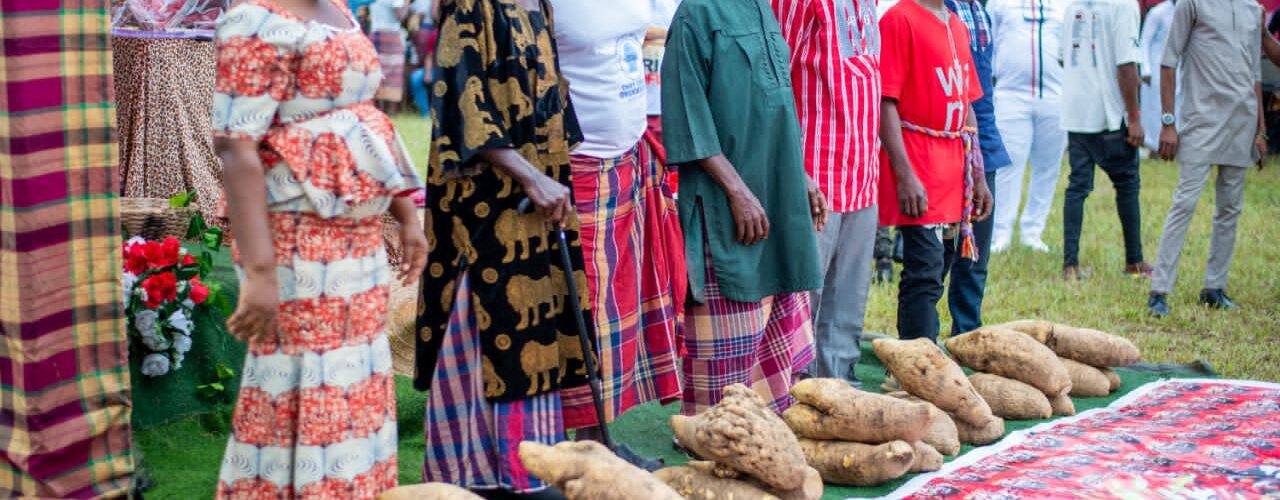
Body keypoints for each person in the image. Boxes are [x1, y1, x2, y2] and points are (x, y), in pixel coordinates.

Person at [212, 0, 427, 497]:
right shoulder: (253, 21)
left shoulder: (337, 11)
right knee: (306, 376)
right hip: (296, 242)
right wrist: (262, 272)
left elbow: (367, 120)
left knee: (358, 376)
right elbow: (237, 147)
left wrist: (406, 215)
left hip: (359, 250)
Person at [414, 0, 594, 496]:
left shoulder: (538, 3)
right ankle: (471, 477)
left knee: (537, 333)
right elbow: (461, 108)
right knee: (490, 333)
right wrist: (533, 178)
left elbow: (553, 95)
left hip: (539, 198)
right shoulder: (471, 7)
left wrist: (549, 174)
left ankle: (528, 474)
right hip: (482, 212)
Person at [662, 0, 827, 415]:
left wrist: (801, 177)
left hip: (777, 189)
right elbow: (687, 118)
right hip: (724, 200)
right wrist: (736, 191)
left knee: (779, 297)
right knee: (731, 311)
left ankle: (768, 416)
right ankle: (715, 426)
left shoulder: (762, 9)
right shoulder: (695, 14)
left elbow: (777, 109)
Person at [547, 0, 682, 440]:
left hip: (626, 157)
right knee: (584, 309)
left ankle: (600, 439)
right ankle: (584, 443)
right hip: (577, 167)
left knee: (616, 307)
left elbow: (642, 35)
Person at [768, 0, 881, 387]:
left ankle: (841, 390)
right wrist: (794, 170)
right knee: (802, 297)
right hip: (816, 168)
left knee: (848, 300)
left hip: (862, 167)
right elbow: (775, 73)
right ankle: (791, 394)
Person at [878, 0, 992, 342]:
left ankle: (921, 354)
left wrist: (979, 175)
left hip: (953, 167)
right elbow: (885, 101)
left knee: (939, 266)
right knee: (924, 272)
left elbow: (968, 103)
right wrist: (904, 174)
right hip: (918, 161)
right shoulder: (899, 19)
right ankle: (915, 367)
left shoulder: (956, 24)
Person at [1147, 0, 1265, 317]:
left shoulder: (1253, 9)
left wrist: (1261, 130)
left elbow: (1255, 75)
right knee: (1184, 203)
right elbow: (1168, 62)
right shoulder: (1192, 3)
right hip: (1201, 120)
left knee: (1230, 208)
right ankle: (1159, 290)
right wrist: (1168, 122)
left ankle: (1214, 287)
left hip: (1242, 120)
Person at [1058, 0, 1150, 281]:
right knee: (1127, 184)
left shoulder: (1071, 5)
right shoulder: (1123, 5)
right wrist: (1134, 117)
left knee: (1077, 187)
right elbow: (1126, 66)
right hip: (1109, 114)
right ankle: (1134, 261)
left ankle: (1070, 266)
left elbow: (1063, 57)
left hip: (1077, 111)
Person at [944, 0, 1010, 335]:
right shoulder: (938, 8)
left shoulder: (979, 8)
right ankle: (917, 342)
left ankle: (967, 338)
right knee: (935, 258)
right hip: (945, 142)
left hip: (984, 141)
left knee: (975, 255)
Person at [986, 0, 1069, 253]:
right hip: (1011, 94)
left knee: (1048, 166)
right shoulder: (999, 3)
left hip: (1055, 95)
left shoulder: (1065, 4)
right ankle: (1000, 232)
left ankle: (1033, 231)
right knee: (1008, 164)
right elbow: (988, 40)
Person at [1140, 0, 1178, 152]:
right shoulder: (1158, 12)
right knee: (1155, 109)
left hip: (1179, 70)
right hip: (1156, 69)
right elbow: (1144, 41)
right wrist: (1145, 69)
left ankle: (1173, 146)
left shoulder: (1188, 11)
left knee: (1177, 107)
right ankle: (1153, 146)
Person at [369, 0, 408, 113]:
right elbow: (400, 15)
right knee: (393, 76)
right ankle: (391, 113)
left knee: (377, 74)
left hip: (375, 33)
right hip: (391, 34)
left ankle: (377, 111)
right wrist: (407, 4)